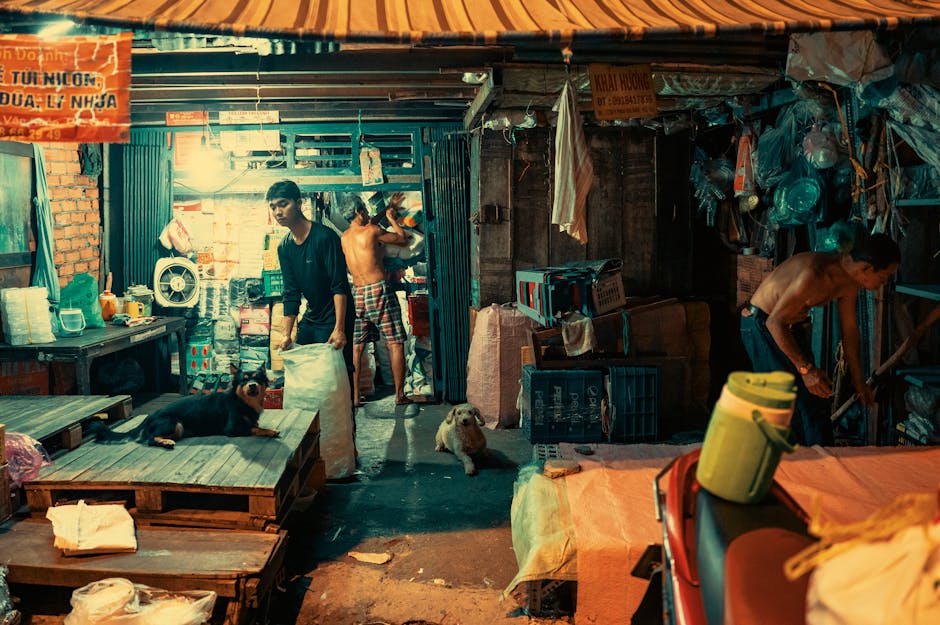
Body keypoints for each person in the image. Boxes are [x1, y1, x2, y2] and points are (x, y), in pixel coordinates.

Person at [740, 232, 900, 446]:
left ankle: (825, 463)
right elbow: (774, 323)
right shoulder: (815, 275)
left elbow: (850, 330)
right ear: (867, 269)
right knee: (786, 405)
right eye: (884, 276)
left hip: (788, 326)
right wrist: (806, 370)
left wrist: (859, 380)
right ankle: (789, 468)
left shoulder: (850, 280)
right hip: (762, 324)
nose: (885, 282)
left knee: (816, 399)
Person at [267, 180, 355, 387]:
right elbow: (291, 293)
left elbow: (339, 285)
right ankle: (314, 420)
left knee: (333, 376)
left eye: (283, 204)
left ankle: (343, 419)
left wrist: (340, 328)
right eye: (273, 207)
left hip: (335, 314)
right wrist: (287, 334)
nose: (278, 212)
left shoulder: (325, 237)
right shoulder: (284, 247)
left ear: (298, 203)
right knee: (304, 370)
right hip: (313, 315)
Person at [340, 192, 412, 407]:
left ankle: (354, 397)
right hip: (379, 291)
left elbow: (370, 224)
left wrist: (388, 205)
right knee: (395, 343)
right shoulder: (372, 231)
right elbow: (402, 239)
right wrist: (391, 218)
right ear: (358, 211)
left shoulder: (345, 237)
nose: (368, 213)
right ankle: (399, 395)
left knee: (357, 347)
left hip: (358, 294)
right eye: (365, 209)